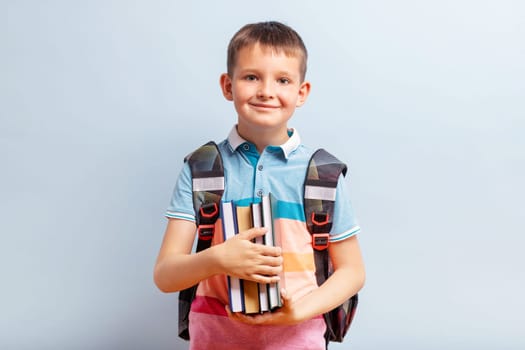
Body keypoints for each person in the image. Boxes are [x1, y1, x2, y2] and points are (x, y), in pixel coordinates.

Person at [154, 21, 365, 350]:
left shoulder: (323, 174)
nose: (266, 90)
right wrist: (219, 258)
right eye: (252, 77)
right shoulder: (202, 168)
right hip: (215, 338)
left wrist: (298, 312)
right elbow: (166, 274)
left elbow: (352, 272)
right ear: (228, 86)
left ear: (301, 92)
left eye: (282, 80)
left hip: (299, 338)